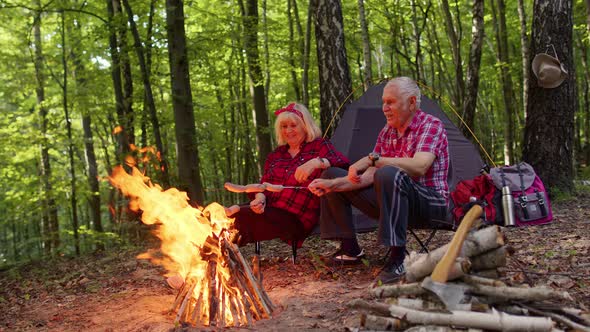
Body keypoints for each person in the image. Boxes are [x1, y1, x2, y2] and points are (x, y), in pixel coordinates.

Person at [308, 77, 449, 285]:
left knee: (389, 173)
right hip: (394, 200)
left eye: (390, 102)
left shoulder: (431, 125)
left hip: (430, 203)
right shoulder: (387, 131)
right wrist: (333, 185)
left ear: (411, 102)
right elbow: (368, 176)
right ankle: (350, 250)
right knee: (331, 174)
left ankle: (398, 259)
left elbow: (420, 166)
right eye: (383, 102)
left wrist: (374, 159)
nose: (384, 108)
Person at [229, 102, 349, 246]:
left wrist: (315, 162)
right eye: (284, 127)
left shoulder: (319, 146)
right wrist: (260, 200)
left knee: (240, 217)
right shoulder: (276, 155)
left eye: (293, 125)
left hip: (296, 219)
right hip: (269, 210)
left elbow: (342, 163)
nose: (288, 131)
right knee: (227, 215)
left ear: (305, 125)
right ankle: (214, 258)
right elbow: (263, 186)